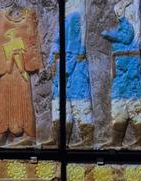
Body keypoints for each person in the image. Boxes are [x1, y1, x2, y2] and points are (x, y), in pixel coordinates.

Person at [0, 0, 41, 147]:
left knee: (24, 97)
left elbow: (33, 41)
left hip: (21, 67)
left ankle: (29, 134)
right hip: (5, 66)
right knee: (5, 96)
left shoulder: (29, 14)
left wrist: (39, 66)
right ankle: (1, 132)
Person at [43, 0, 94, 148]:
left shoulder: (74, 16)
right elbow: (57, 41)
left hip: (73, 69)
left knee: (79, 103)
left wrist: (64, 68)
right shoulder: (67, 17)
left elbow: (73, 46)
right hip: (64, 66)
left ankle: (86, 140)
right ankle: (59, 139)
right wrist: (52, 60)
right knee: (61, 103)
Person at [100, 0, 141, 148]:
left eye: (118, 13)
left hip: (130, 66)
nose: (117, 15)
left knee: (135, 102)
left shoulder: (127, 24)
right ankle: (116, 139)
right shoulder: (123, 25)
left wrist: (109, 34)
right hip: (121, 68)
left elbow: (127, 37)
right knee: (118, 103)